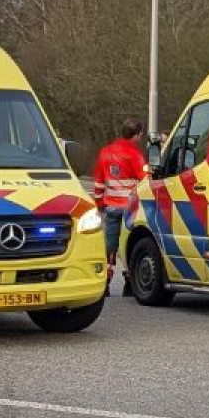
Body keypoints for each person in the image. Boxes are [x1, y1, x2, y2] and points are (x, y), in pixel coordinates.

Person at [92, 118, 149, 295]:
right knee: (129, 244)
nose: (140, 138)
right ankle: (129, 282)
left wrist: (100, 203)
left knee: (110, 245)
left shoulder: (105, 152)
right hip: (130, 208)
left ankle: (106, 283)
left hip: (111, 207)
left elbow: (99, 183)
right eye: (140, 135)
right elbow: (145, 180)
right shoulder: (135, 154)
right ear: (136, 135)